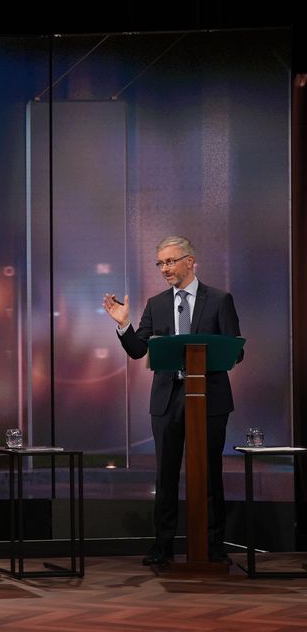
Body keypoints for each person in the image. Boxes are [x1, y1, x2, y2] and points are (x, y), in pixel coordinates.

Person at [102, 235, 242, 566]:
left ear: (190, 261)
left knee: (209, 473)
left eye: (171, 261)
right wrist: (124, 325)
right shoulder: (157, 303)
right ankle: (163, 545)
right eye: (161, 263)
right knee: (165, 476)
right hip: (168, 400)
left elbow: (237, 351)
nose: (165, 269)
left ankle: (213, 544)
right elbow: (139, 350)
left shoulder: (220, 300)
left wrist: (207, 356)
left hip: (209, 399)